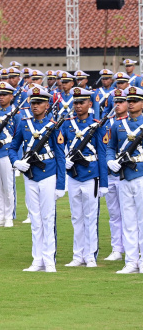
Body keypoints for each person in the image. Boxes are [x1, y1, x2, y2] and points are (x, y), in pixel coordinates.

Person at [9, 86, 65, 273]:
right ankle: (37, 259)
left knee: (48, 218)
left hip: (48, 173)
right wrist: (16, 162)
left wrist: (60, 184)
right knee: (35, 218)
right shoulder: (24, 124)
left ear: (47, 105)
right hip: (30, 175)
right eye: (33, 102)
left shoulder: (53, 126)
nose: (35, 106)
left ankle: (49, 260)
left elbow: (60, 156)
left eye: (39, 102)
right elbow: (12, 147)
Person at [59, 86, 108, 268]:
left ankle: (90, 255)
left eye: (82, 102)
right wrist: (64, 162)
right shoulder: (67, 124)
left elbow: (102, 154)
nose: (78, 106)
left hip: (91, 174)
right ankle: (77, 255)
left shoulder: (97, 125)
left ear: (90, 103)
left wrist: (104, 182)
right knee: (76, 217)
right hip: (74, 175)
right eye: (76, 102)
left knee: (90, 217)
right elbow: (59, 148)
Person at [106, 85, 143, 273]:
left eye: (134, 100)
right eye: (129, 100)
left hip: (141, 174)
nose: (130, 104)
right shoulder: (118, 125)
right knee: (128, 221)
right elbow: (110, 147)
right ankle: (130, 261)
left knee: (142, 220)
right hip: (123, 176)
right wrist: (110, 160)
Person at [0, 81, 20, 227]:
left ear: (11, 96)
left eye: (5, 94)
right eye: (0, 94)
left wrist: (16, 158)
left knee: (8, 187)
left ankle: (8, 216)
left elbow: (20, 137)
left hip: (7, 153)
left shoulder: (16, 114)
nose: (1, 97)